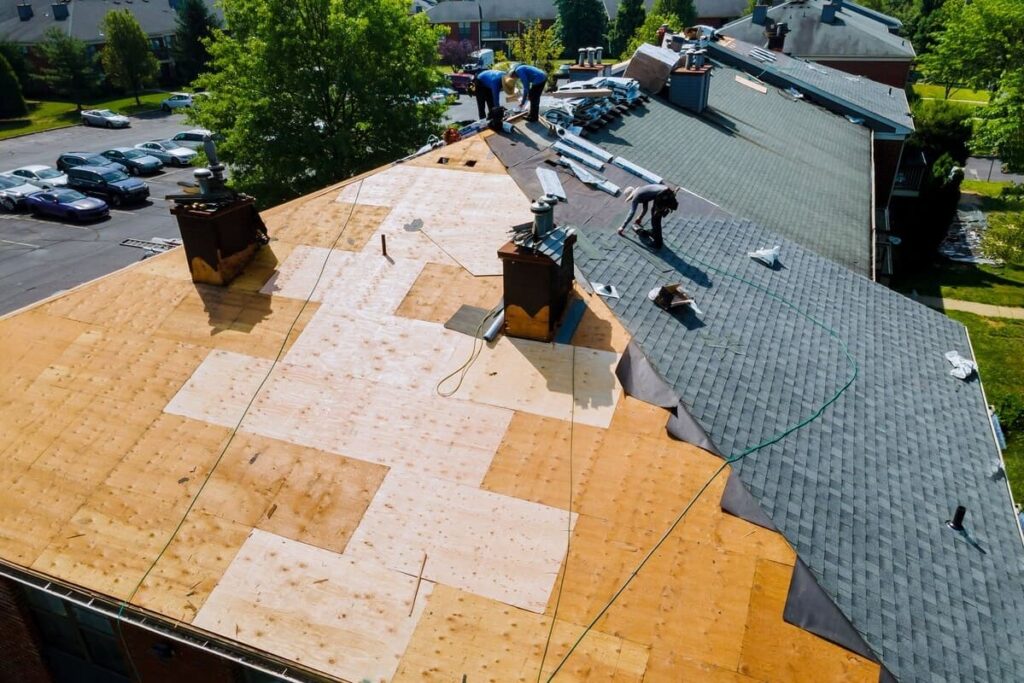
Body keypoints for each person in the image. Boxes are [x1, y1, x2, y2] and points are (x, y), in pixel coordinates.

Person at [617, 184, 679, 250]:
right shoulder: (641, 191)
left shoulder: (636, 196)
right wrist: (640, 218)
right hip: (666, 193)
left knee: (655, 219)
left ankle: (658, 243)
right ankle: (654, 232)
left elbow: (632, 212)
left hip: (663, 195)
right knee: (654, 212)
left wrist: (622, 227)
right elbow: (645, 208)